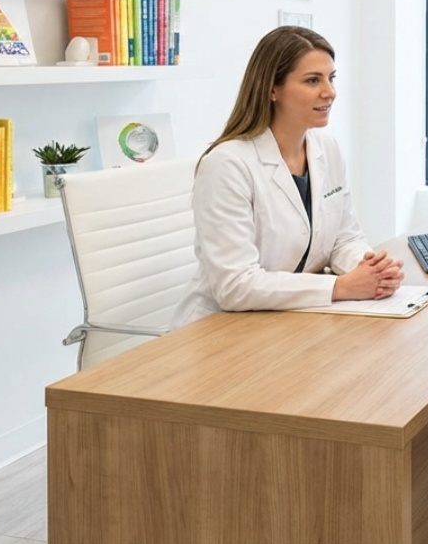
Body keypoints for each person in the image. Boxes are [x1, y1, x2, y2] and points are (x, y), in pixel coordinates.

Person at [172, 26, 403, 327]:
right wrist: (340, 286)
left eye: (331, 78)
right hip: (220, 328)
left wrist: (369, 270)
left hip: (290, 319)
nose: (330, 92)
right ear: (272, 89)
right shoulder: (227, 164)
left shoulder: (328, 149)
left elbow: (345, 238)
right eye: (312, 80)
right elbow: (235, 285)